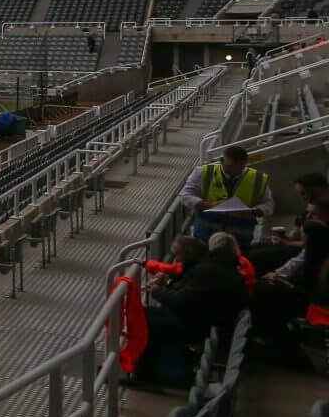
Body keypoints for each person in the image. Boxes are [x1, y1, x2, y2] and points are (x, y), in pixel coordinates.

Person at [135, 233, 249, 383]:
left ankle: (145, 375)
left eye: (177, 255)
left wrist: (157, 291)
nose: (176, 260)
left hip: (200, 327)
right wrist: (168, 285)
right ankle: (141, 368)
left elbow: (182, 301)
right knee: (142, 314)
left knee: (144, 321)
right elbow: (193, 295)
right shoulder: (224, 268)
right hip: (210, 322)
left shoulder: (208, 270)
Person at [253, 199, 329, 367]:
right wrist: (277, 276)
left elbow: (319, 296)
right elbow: (296, 263)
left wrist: (287, 285)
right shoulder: (314, 252)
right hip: (304, 296)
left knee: (267, 299)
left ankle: (287, 354)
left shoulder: (323, 261)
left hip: (315, 305)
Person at [179, 143, 272, 243]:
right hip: (205, 237)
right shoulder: (203, 172)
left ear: (245, 163)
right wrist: (208, 205)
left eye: (240, 166)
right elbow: (185, 195)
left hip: (240, 240)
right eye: (230, 166)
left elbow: (269, 205)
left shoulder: (257, 179)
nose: (235, 170)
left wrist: (252, 211)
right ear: (222, 161)